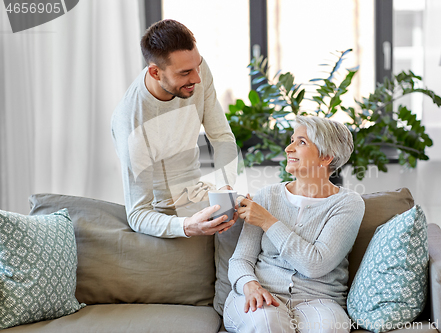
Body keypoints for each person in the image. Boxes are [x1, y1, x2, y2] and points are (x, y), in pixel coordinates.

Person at [223, 116, 365, 333]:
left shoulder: (348, 204)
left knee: (327, 329)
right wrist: (249, 285)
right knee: (266, 325)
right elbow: (240, 259)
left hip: (319, 300)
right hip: (261, 292)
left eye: (301, 142)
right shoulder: (267, 196)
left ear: (326, 157)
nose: (288, 148)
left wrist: (267, 221)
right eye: (292, 140)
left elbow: (315, 265)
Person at [111, 19, 238, 238]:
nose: (197, 78)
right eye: (185, 73)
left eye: (198, 66)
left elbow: (222, 136)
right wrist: (187, 226)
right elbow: (138, 213)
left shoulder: (195, 69)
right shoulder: (132, 121)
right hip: (163, 209)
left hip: (197, 190)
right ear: (155, 73)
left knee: (247, 221)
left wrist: (225, 189)